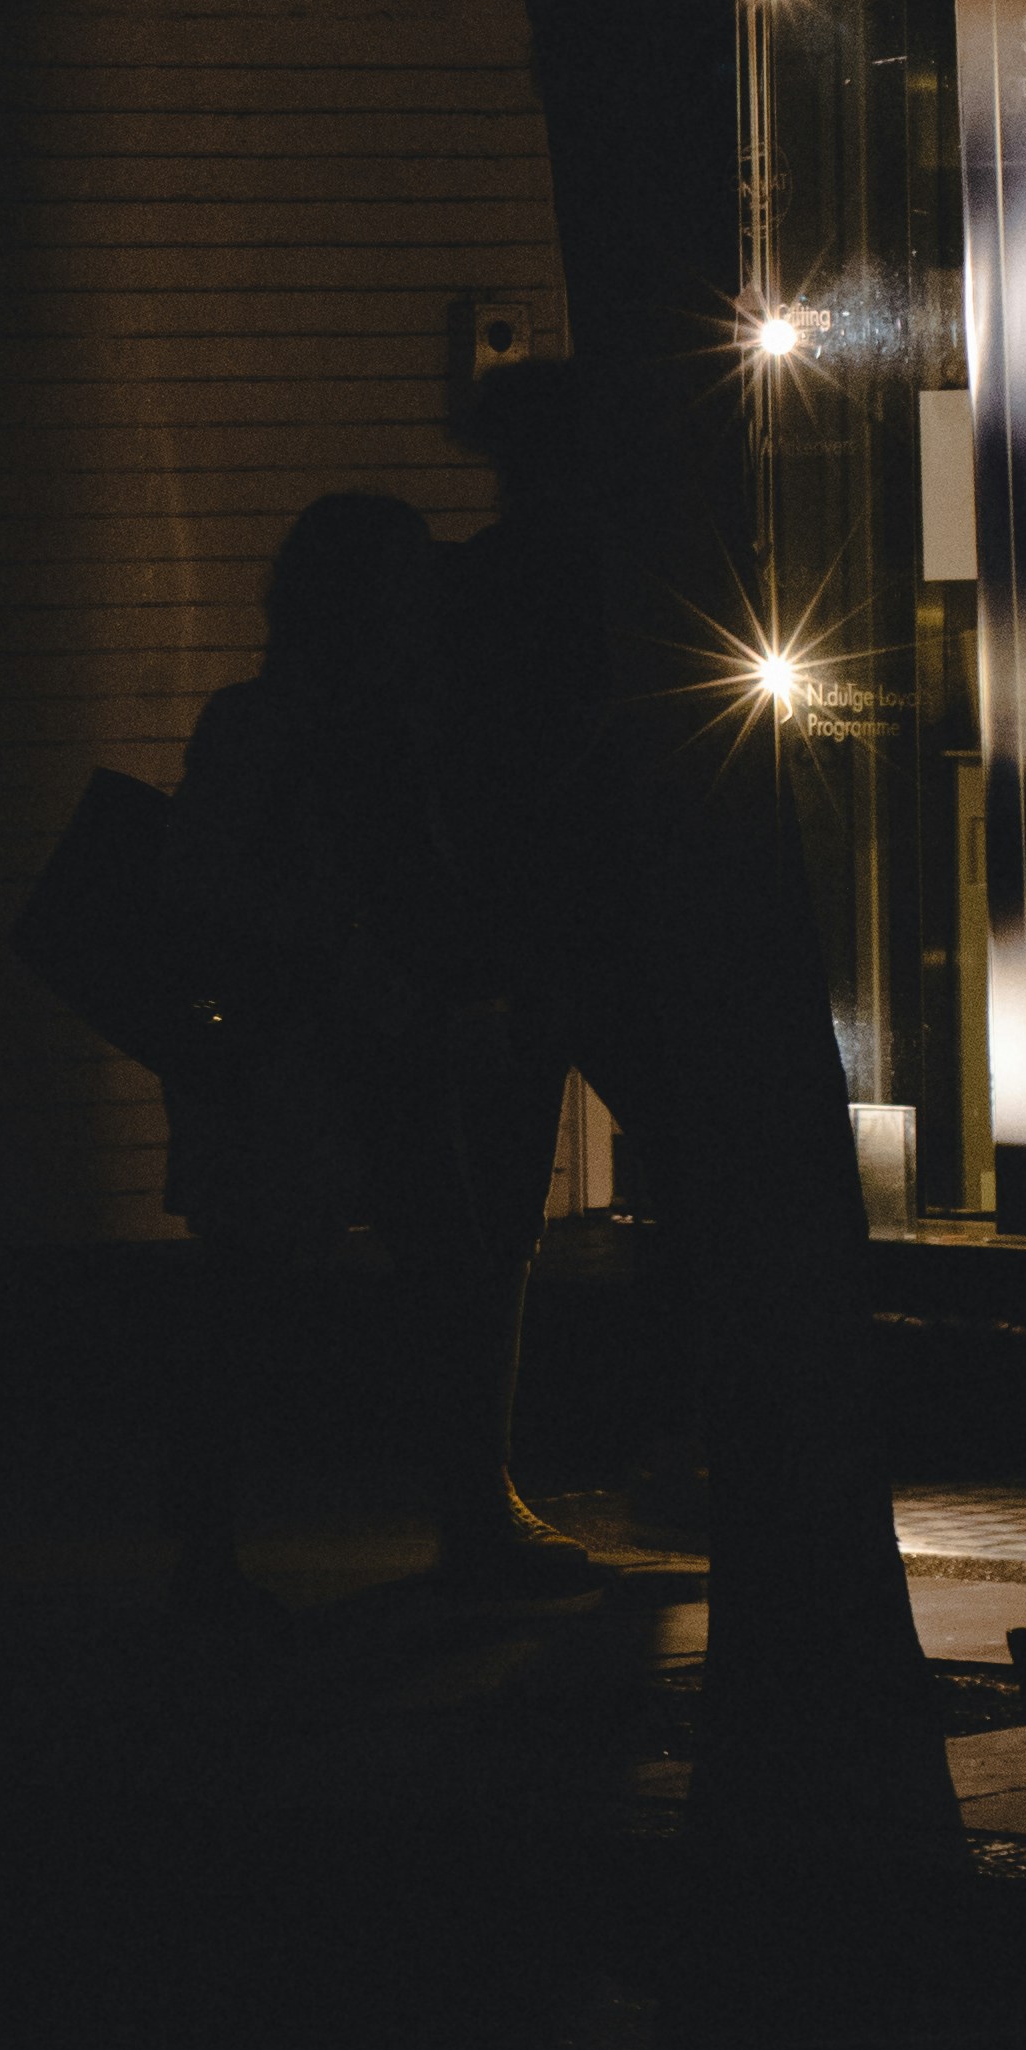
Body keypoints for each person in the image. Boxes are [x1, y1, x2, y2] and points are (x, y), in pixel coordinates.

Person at [155, 489, 594, 1622]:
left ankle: (223, 1549)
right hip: (330, 1035)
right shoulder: (333, 726)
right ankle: (450, 1522)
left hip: (347, 1037)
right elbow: (245, 886)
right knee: (345, 1274)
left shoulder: (306, 720)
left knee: (289, 1282)